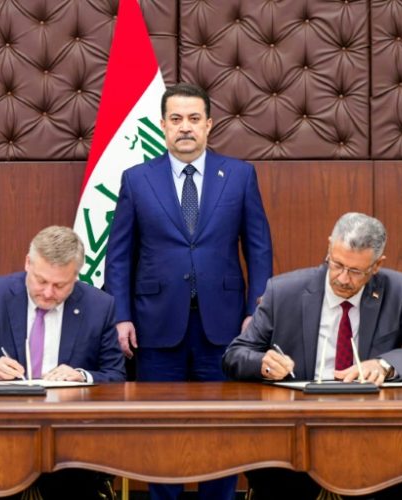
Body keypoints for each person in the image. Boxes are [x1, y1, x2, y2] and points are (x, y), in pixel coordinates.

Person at [104, 82, 273, 500]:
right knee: (160, 430)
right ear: (162, 125)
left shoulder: (239, 175)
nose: (185, 128)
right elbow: (120, 255)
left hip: (226, 326)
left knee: (222, 428)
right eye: (176, 119)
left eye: (194, 119)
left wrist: (258, 310)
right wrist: (120, 315)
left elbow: (259, 248)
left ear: (209, 125)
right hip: (155, 326)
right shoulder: (136, 179)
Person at [223, 212, 402, 500]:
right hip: (298, 431)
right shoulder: (284, 291)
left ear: (377, 265)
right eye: (337, 264)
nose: (343, 278)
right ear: (329, 247)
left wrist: (384, 365)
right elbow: (234, 355)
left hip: (370, 430)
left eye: (356, 271)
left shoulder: (399, 291)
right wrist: (263, 364)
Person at [0, 225, 125, 499]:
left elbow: (116, 376)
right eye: (41, 281)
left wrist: (82, 376)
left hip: (70, 443)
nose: (49, 293)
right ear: (28, 263)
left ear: (77, 275)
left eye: (60, 285)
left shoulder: (100, 306)